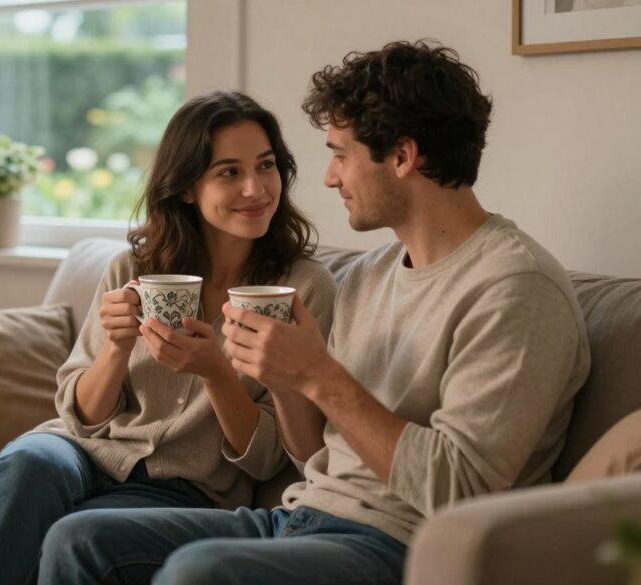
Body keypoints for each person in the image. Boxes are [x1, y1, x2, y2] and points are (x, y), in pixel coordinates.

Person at [37, 40, 592, 585]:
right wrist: (283, 379)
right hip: (300, 518)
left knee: (199, 572)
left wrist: (319, 376)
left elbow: (461, 489)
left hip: (403, 542)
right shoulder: (371, 274)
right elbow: (310, 456)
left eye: (340, 154)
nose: (329, 178)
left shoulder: (516, 288)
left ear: (402, 156)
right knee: (78, 538)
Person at [0, 90, 337, 585]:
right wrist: (116, 347)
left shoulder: (303, 289)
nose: (255, 188)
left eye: (266, 166)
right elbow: (82, 418)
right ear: (185, 187)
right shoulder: (133, 268)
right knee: (28, 462)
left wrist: (216, 372)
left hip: (181, 488)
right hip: (78, 457)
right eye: (229, 172)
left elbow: (269, 461)